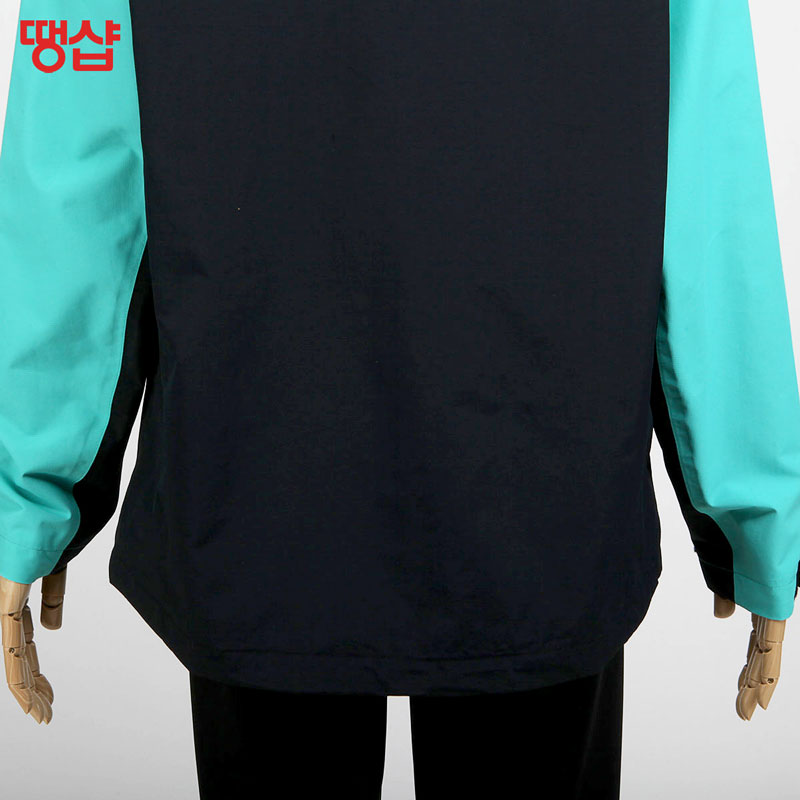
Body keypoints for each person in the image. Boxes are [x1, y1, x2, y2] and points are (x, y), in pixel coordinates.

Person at [1, 1, 799, 797]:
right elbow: (707, 187)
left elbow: (74, 173)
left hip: (263, 477)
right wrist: (757, 517)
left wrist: (29, 494)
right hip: (536, 490)